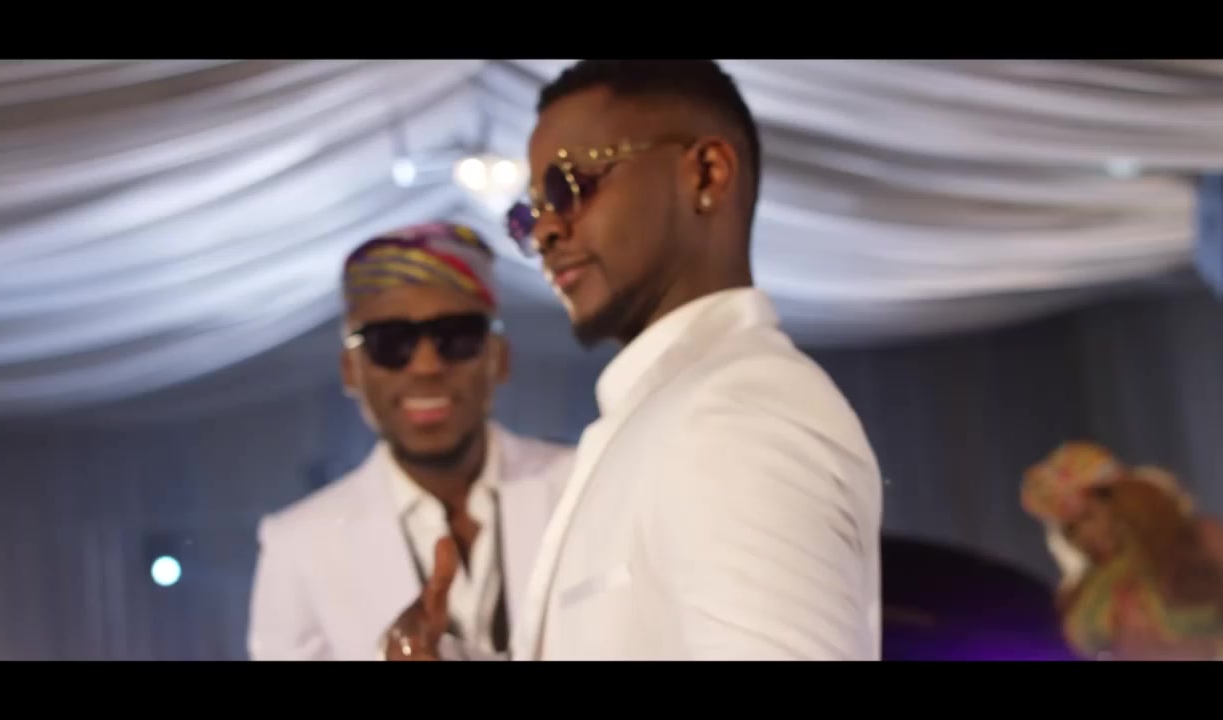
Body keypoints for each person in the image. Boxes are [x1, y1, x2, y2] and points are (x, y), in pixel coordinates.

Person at [384, 59, 883, 661]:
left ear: (707, 173)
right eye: (530, 211)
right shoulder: (669, 412)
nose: (544, 232)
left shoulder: (738, 415)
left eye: (571, 186)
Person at [247, 222, 574, 661]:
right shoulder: (298, 546)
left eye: (456, 336)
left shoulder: (581, 484)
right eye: (390, 342)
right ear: (351, 370)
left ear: (499, 356)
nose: (425, 366)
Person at [1022, 441, 1223, 661]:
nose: (1085, 535)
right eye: (1071, 529)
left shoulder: (1198, 539)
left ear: (1122, 500)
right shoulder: (1083, 592)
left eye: (1089, 516)